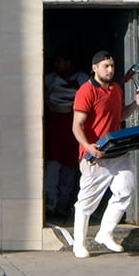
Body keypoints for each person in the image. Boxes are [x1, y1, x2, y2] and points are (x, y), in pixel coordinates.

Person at [70, 49, 139, 258]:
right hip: (96, 155)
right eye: (106, 66)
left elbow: (119, 115)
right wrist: (87, 146)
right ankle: (79, 244)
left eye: (112, 66)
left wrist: (136, 104)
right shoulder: (86, 91)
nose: (110, 70)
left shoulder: (116, 89)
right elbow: (77, 125)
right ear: (95, 68)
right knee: (87, 202)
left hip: (117, 152)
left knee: (125, 190)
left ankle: (104, 233)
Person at [43, 53, 87, 220]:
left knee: (69, 169)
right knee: (53, 168)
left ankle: (63, 205)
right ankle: (50, 204)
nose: (56, 63)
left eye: (59, 60)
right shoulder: (51, 79)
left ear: (68, 61)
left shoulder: (81, 78)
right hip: (54, 130)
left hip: (73, 132)